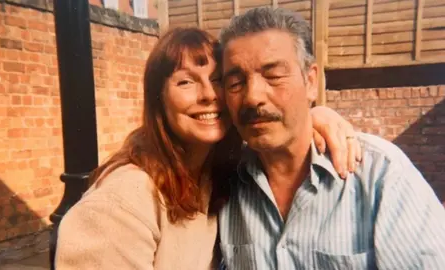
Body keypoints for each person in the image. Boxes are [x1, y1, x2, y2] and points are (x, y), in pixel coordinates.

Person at [54, 27, 361, 269]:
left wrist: (315, 116)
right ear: (158, 99)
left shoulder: (219, 174)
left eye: (217, 80)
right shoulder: (122, 202)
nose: (208, 96)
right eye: (185, 82)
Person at [217, 7, 445, 270]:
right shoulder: (223, 185)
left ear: (311, 81)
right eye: (235, 83)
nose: (253, 96)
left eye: (273, 76)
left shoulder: (380, 175)